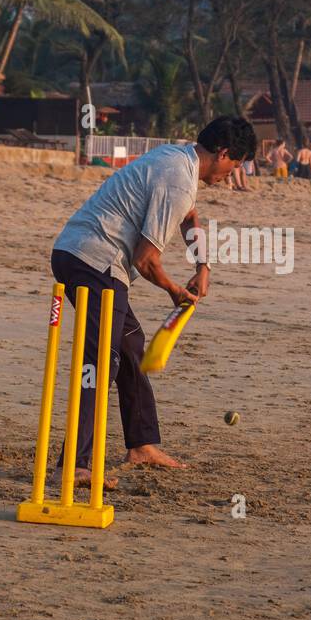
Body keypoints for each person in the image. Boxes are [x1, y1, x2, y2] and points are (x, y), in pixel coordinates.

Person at [50, 115, 255, 485]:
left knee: (131, 348)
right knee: (100, 361)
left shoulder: (178, 160)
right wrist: (176, 291)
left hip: (87, 257)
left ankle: (142, 443)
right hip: (92, 260)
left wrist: (203, 264)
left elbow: (189, 217)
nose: (231, 174)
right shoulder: (178, 179)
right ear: (223, 153)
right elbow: (146, 260)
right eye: (235, 166)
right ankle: (75, 464)